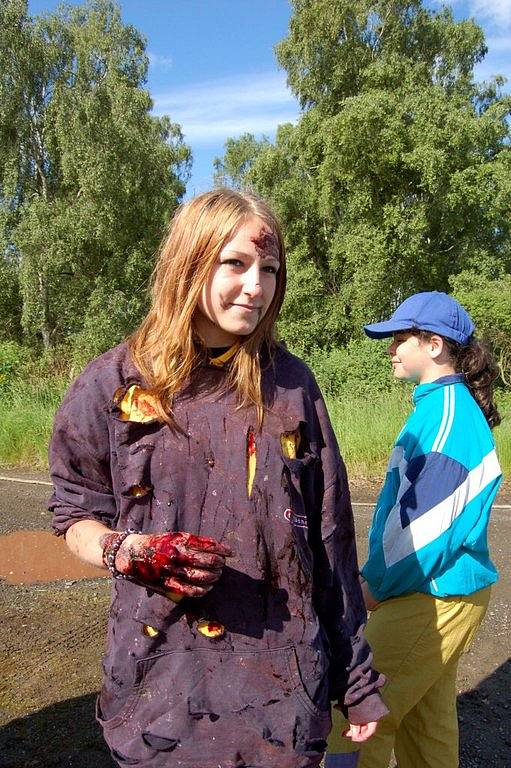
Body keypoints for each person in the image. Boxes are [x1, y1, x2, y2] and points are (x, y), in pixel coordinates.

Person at [49, 189, 387, 768]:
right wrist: (124, 551)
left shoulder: (291, 388)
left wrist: (356, 680)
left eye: (270, 269)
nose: (257, 286)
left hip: (281, 692)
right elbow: (73, 512)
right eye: (236, 263)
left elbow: (329, 541)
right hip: (161, 692)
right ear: (189, 260)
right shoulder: (114, 383)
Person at [327, 291, 503, 768]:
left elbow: (426, 531)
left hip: (430, 593)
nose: (390, 349)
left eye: (398, 338)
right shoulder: (437, 407)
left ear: (433, 345)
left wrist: (372, 586)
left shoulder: (448, 416)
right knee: (426, 727)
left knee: (358, 713)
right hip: (439, 591)